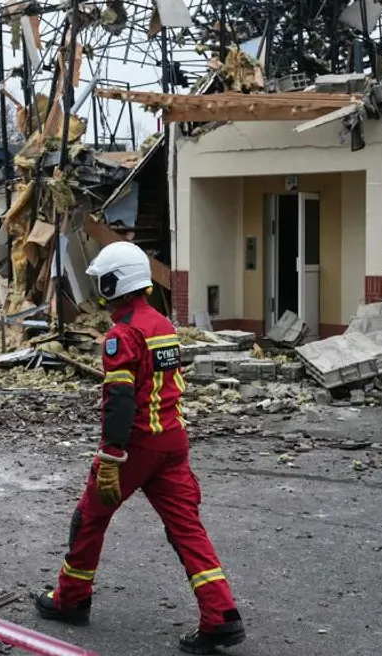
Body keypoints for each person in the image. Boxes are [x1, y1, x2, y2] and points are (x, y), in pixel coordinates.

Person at [36, 241, 246, 654]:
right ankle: (220, 615)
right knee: (187, 529)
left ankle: (71, 600)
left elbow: (120, 401)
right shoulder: (163, 326)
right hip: (173, 442)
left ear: (115, 283)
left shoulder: (123, 333)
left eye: (103, 281)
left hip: (137, 446)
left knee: (89, 518)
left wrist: (112, 455)